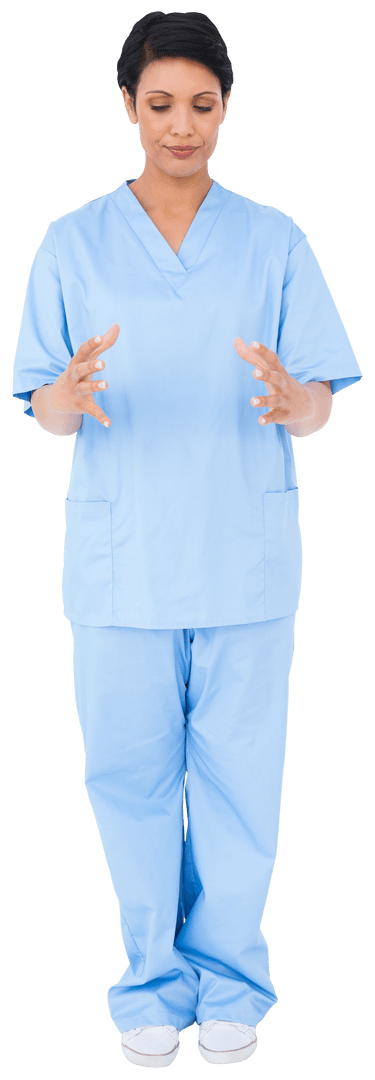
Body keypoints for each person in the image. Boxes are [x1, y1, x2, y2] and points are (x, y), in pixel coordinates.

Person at [11, 9, 362, 1070]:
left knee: (241, 786)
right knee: (130, 783)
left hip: (245, 561)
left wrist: (300, 398)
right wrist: (65, 395)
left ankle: (234, 985)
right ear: (127, 106)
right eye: (159, 104)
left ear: (226, 109)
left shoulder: (274, 238)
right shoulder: (73, 241)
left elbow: (319, 405)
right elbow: (43, 409)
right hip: (122, 570)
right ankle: (149, 987)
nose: (181, 125)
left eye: (201, 105)